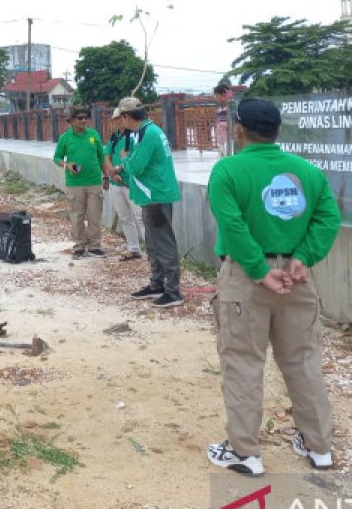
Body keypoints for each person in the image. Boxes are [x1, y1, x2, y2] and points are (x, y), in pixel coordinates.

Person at [206, 98, 340, 477]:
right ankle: (319, 448)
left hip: (246, 281)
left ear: (239, 129)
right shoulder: (308, 172)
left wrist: (258, 270)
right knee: (303, 361)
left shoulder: (227, 171)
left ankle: (245, 453)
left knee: (244, 364)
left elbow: (233, 226)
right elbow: (328, 219)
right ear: (278, 130)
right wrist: (303, 257)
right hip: (296, 279)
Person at [116, 97, 183, 308]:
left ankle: (173, 291)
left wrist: (124, 160)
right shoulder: (146, 131)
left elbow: (135, 165)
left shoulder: (147, 134)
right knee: (153, 243)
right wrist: (129, 160)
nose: (120, 122)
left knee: (163, 243)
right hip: (151, 196)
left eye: (121, 117)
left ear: (127, 116)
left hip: (156, 196)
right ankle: (157, 284)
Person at [52, 105, 106, 258]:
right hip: (75, 184)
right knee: (77, 216)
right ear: (71, 121)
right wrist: (67, 165)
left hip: (94, 181)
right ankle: (79, 247)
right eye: (79, 118)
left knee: (94, 215)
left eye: (85, 118)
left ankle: (95, 246)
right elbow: (56, 158)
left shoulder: (94, 135)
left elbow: (102, 157)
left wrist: (106, 176)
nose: (83, 120)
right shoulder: (65, 138)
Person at [103, 109, 144, 262]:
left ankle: (152, 251)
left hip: (129, 183)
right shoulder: (114, 138)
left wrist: (118, 169)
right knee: (125, 217)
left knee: (140, 217)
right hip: (115, 183)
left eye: (121, 118)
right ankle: (133, 248)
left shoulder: (133, 137)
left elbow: (133, 158)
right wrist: (111, 172)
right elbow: (106, 156)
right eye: (116, 119)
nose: (119, 122)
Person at [214, 83, 231, 156]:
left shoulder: (230, 106)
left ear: (223, 94)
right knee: (222, 156)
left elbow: (230, 124)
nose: (216, 98)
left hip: (228, 139)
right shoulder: (221, 107)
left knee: (227, 157)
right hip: (222, 139)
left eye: (217, 95)